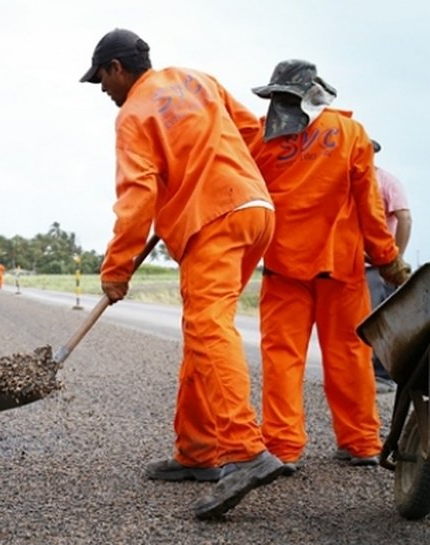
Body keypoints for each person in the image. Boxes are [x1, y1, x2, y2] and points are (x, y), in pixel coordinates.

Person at [80, 28, 283, 520]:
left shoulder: (133, 115)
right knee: (201, 330)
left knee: (208, 327)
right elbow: (254, 132)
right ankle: (197, 451)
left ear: (116, 68)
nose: (103, 90)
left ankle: (245, 452)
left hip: (214, 220)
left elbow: (136, 199)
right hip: (255, 210)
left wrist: (117, 268)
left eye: (102, 80)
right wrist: (217, 169)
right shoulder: (196, 79)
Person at [249, 60, 411, 472]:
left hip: (283, 268)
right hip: (340, 267)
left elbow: (247, 201)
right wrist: (388, 259)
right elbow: (369, 208)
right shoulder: (351, 134)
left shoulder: (259, 140)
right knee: (350, 355)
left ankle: (283, 449)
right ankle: (360, 443)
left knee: (282, 358)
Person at [365, 139, 412, 393]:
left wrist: (396, 258)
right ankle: (360, 373)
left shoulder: (387, 182)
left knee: (379, 318)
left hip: (379, 264)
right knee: (357, 321)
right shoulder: (350, 179)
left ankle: (382, 375)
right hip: (353, 262)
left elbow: (404, 217)